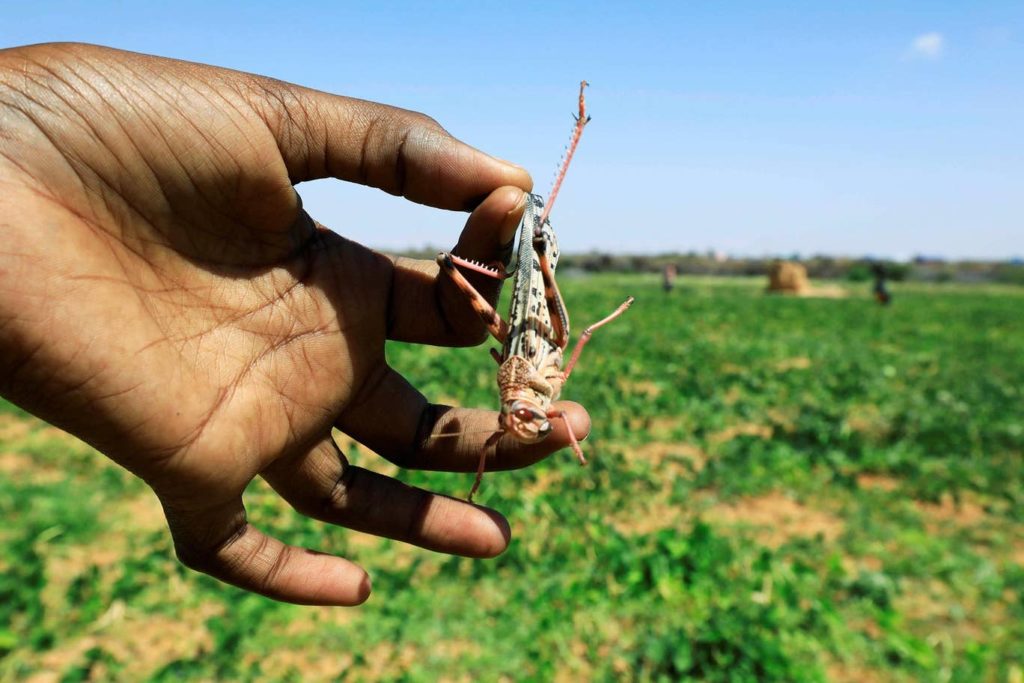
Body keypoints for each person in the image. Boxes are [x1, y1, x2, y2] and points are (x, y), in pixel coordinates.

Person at [0, 43, 590, 606]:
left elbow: (557, 347)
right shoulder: (528, 389)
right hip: (524, 333)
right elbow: (566, 344)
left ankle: (564, 160)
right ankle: (573, 141)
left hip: (524, 335)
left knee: (532, 260)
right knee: (528, 268)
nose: (520, 420)